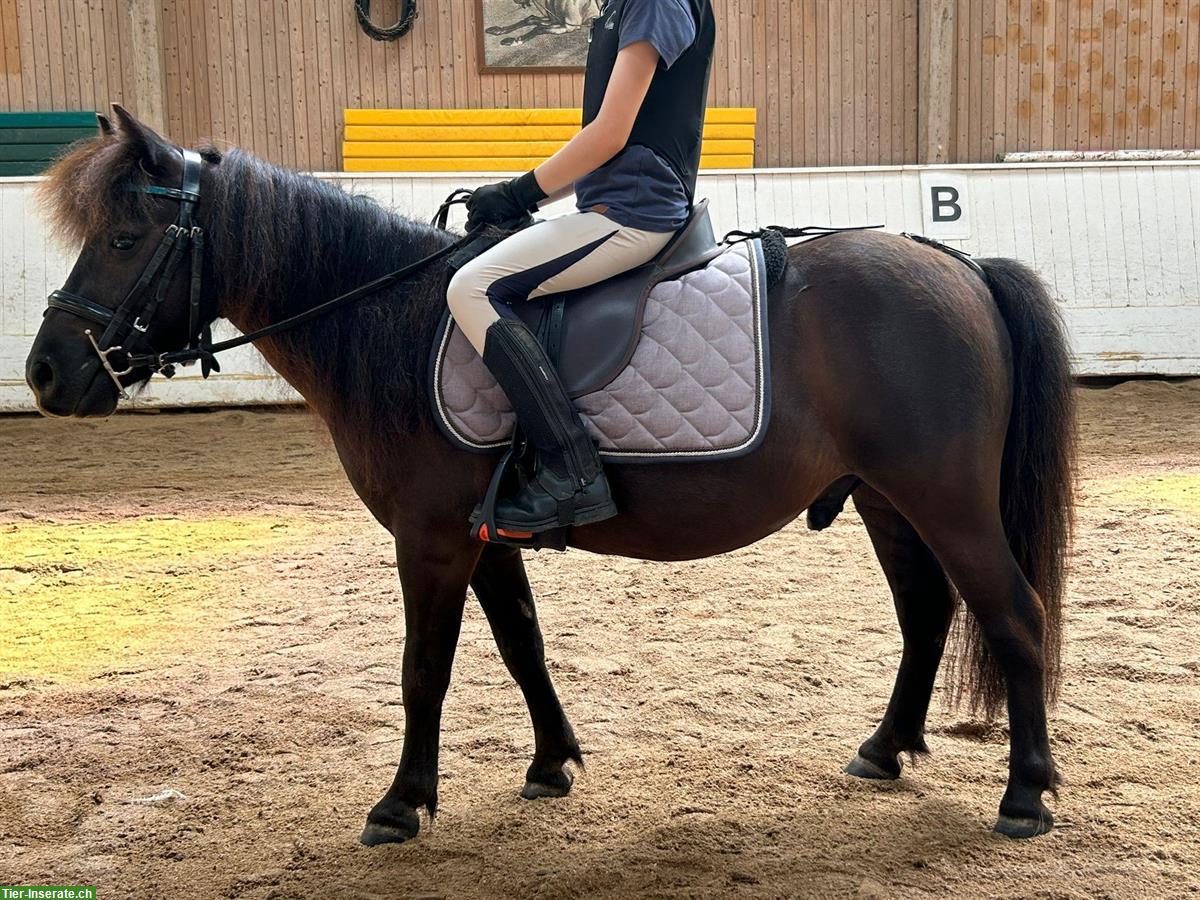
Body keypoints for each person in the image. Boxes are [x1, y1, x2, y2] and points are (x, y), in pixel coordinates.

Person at [447, 0, 716, 540]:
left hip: (637, 214)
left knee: (472, 286)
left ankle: (569, 469)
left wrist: (519, 191)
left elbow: (612, 132)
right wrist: (529, 200)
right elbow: (607, 144)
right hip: (608, 206)